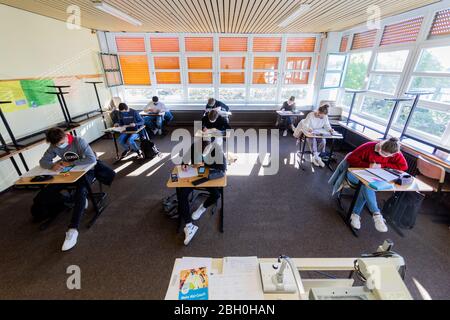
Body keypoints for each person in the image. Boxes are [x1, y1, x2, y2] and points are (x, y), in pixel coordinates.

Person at [39, 128, 97, 251]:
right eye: (56, 145)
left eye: (61, 143)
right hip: (68, 173)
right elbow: (43, 161)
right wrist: (52, 165)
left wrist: (71, 163)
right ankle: (72, 200)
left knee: (81, 191)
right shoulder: (54, 145)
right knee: (47, 192)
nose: (59, 147)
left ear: (66, 136)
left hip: (87, 171)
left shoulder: (78, 141)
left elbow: (91, 159)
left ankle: (73, 229)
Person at [346, 137, 408, 233]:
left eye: (387, 155)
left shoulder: (395, 152)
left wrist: (382, 166)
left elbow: (403, 166)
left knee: (366, 185)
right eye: (382, 152)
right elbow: (350, 159)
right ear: (381, 146)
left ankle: (355, 214)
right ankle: (376, 213)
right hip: (353, 173)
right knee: (366, 184)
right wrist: (369, 165)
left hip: (372, 177)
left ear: (394, 154)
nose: (382, 155)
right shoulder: (368, 146)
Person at [176, 140, 226, 245]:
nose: (202, 151)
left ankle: (202, 208)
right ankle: (189, 226)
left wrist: (207, 166)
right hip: (194, 174)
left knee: (216, 195)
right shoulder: (195, 145)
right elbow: (185, 158)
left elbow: (223, 169)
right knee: (182, 194)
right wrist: (184, 164)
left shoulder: (217, 150)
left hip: (209, 176)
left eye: (205, 150)